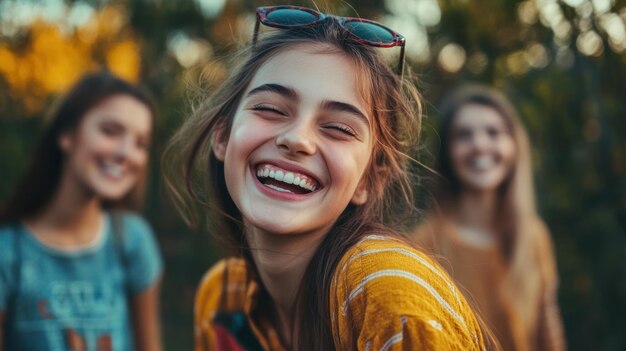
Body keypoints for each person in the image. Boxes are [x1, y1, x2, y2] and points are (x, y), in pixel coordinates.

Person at [164, 5, 487, 351]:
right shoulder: (221, 300)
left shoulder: (387, 289)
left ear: (368, 181)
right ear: (223, 136)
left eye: (338, 128)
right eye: (270, 109)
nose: (297, 139)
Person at [0, 71, 164, 351]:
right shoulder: (9, 252)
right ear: (66, 134)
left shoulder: (133, 240)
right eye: (111, 131)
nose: (126, 153)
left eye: (140, 143)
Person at [412, 84, 566, 351]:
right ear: (447, 153)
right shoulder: (421, 248)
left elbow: (548, 333)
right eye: (463, 135)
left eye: (493, 132)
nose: (480, 145)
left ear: (514, 145)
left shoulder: (534, 236)